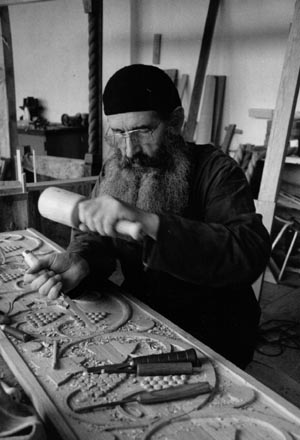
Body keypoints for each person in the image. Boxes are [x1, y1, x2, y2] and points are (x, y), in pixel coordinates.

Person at [24, 64, 271, 369]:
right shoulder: (117, 168)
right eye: (118, 133)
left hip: (214, 331)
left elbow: (248, 251)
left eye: (143, 131)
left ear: (175, 122)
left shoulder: (217, 170)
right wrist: (80, 260)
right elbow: (94, 234)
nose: (129, 150)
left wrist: (150, 222)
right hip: (144, 313)